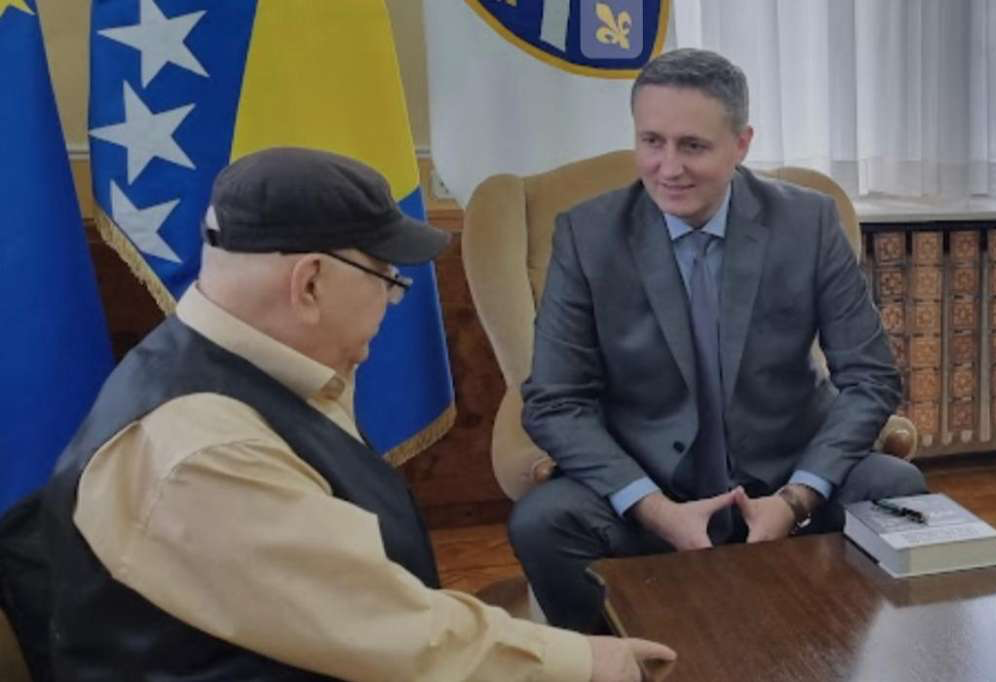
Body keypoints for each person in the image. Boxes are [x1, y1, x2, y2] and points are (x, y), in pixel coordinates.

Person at [42, 147, 675, 681]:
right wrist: (590, 661)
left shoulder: (259, 373)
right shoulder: (203, 453)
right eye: (387, 278)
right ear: (309, 284)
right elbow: (393, 635)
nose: (391, 302)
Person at [509, 48, 929, 633]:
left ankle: (830, 653)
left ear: (741, 144)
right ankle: (617, 664)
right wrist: (653, 508)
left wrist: (797, 498)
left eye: (693, 146)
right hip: (650, 488)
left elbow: (870, 378)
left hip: (787, 480)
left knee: (894, 489)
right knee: (543, 522)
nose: (668, 167)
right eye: (651, 141)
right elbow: (555, 401)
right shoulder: (587, 234)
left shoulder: (808, 223)